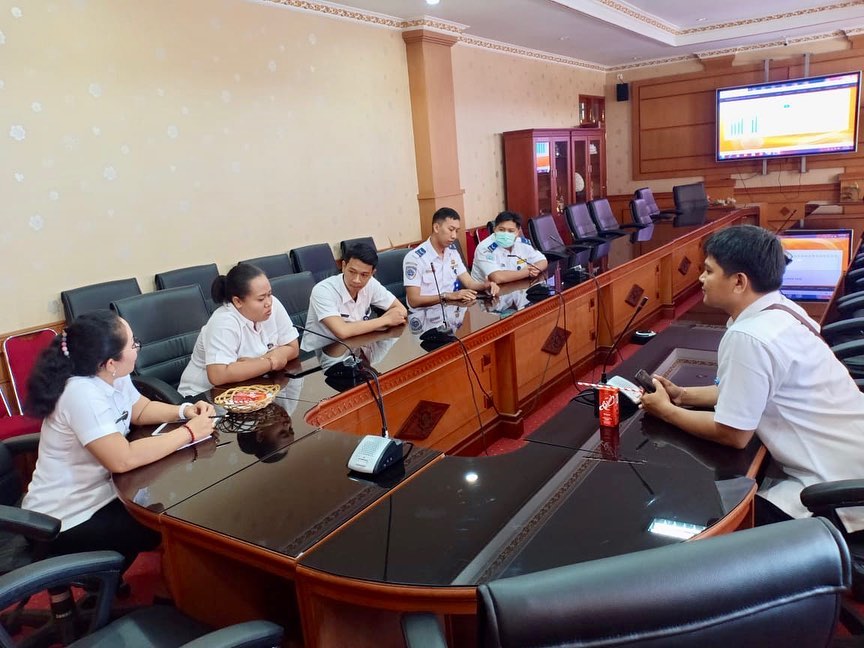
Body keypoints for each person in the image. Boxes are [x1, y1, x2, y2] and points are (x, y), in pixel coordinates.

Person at [640, 225, 864, 527]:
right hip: (852, 451)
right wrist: (683, 395)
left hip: (841, 488)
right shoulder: (782, 308)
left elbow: (733, 434)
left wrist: (667, 412)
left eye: (708, 271)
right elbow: (750, 389)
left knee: (728, 520)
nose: (701, 279)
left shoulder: (750, 336)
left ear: (739, 282)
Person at [23, 310, 216, 570]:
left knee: (173, 506)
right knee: (174, 524)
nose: (137, 347)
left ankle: (111, 585)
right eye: (133, 343)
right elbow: (122, 459)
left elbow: (139, 409)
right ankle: (169, 594)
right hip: (64, 517)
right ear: (110, 362)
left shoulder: (113, 375)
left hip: (103, 493)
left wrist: (184, 411)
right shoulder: (81, 394)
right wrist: (190, 433)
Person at [178, 263, 300, 397]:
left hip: (249, 388)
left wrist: (257, 362)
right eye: (260, 298)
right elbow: (218, 375)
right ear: (237, 302)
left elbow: (292, 347)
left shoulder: (272, 305)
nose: (268, 302)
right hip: (204, 397)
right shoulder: (223, 322)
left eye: (269, 294)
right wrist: (271, 362)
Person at [301, 242, 407, 351]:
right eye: (352, 272)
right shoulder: (323, 290)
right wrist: (387, 320)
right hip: (318, 355)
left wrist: (383, 320)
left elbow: (401, 310)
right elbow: (342, 331)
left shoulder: (371, 283)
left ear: (372, 273)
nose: (357, 280)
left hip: (354, 345)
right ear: (343, 266)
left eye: (364, 275)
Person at [403, 207, 500, 308]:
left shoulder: (452, 252)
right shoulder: (415, 258)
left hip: (451, 309)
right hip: (425, 315)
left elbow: (469, 282)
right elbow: (413, 300)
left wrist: (485, 286)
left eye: (457, 231)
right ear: (436, 228)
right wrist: (447, 296)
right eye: (451, 229)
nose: (454, 236)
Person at [470, 211, 547, 284]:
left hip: (515, 287)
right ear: (494, 230)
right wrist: (527, 272)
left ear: (518, 232)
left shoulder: (522, 243)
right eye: (501, 230)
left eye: (511, 231)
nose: (505, 234)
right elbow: (497, 277)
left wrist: (536, 269)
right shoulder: (485, 248)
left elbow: (542, 260)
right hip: (485, 293)